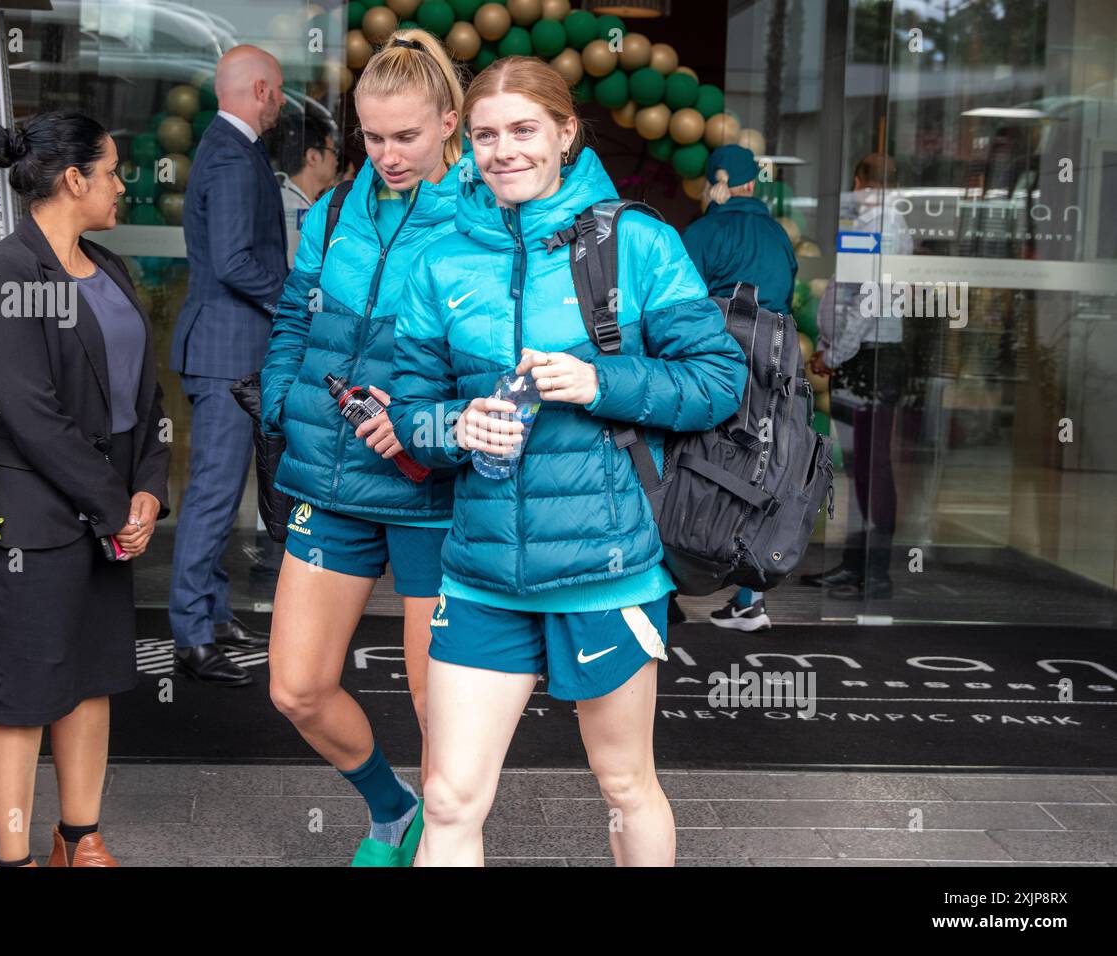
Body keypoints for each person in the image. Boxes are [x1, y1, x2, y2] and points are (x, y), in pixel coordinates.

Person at [388, 57, 746, 866]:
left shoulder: (640, 243)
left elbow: (718, 381)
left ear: (565, 132)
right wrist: (456, 427)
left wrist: (599, 380)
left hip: (607, 567)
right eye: (485, 134)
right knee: (447, 797)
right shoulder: (439, 259)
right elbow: (410, 415)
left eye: (523, 130)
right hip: (481, 571)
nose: (503, 150)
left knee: (624, 785)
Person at [257, 29, 466, 867]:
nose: (387, 154)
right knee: (297, 688)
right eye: (372, 137)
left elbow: (496, 354)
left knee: (437, 705)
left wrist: (427, 419)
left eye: (407, 136)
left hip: (430, 489)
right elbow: (292, 316)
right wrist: (281, 403)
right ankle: (392, 806)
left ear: (449, 122)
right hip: (330, 474)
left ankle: (445, 846)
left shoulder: (483, 218)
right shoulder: (336, 209)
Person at [0, 111, 171, 867]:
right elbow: (31, 416)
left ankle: (78, 841)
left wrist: (148, 490)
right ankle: (13, 860)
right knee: (20, 698)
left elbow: (145, 398)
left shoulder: (109, 267)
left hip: (107, 511)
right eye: (113, 172)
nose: (123, 185)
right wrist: (116, 505)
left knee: (91, 682)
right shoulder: (5, 275)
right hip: (33, 518)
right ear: (74, 179)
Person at [168, 45, 287, 683]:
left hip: (220, 344)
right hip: (229, 350)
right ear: (262, 89)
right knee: (215, 494)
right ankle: (191, 636)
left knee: (212, 490)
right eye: (281, 92)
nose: (283, 105)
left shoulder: (225, 147)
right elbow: (238, 262)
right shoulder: (235, 156)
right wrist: (295, 302)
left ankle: (210, 615)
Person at [682, 144, 798, 632]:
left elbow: (675, 305)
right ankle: (750, 600)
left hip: (713, 366)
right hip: (774, 367)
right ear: (754, 184)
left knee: (689, 466)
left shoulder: (701, 232)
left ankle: (671, 590)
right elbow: (788, 297)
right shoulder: (778, 236)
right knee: (763, 471)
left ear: (713, 184)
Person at [803, 153, 912, 600]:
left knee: (870, 465)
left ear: (858, 179)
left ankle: (873, 570)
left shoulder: (875, 227)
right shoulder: (881, 224)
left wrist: (834, 352)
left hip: (868, 356)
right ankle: (858, 564)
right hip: (865, 354)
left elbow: (867, 301)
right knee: (866, 466)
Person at [269, 112, 340, 268]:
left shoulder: (298, 201)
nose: (336, 160)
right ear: (312, 157)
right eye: (333, 152)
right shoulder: (291, 208)